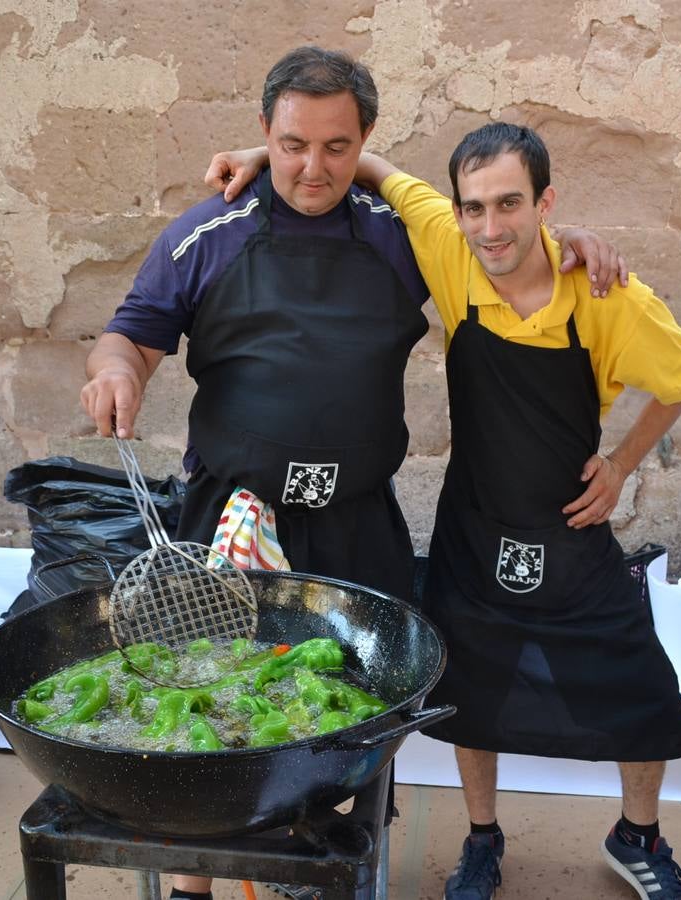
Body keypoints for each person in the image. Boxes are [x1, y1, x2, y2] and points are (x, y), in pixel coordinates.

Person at [82, 46, 623, 900]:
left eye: (337, 147)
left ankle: (327, 870)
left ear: (365, 139)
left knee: (349, 711)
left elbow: (502, 253)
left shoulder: (397, 236)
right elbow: (134, 330)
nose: (312, 167)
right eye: (292, 144)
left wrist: (571, 246)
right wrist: (118, 370)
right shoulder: (205, 232)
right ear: (265, 132)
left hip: (354, 520)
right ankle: (192, 885)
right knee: (201, 706)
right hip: (233, 514)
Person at [208, 123, 681, 900]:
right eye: (474, 207)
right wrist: (258, 157)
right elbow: (365, 163)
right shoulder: (447, 243)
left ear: (547, 200)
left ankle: (637, 835)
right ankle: (481, 840)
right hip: (474, 525)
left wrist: (620, 464)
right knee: (471, 694)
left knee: (639, 688)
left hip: (572, 534)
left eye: (510, 204)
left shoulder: (606, 298)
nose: (490, 227)